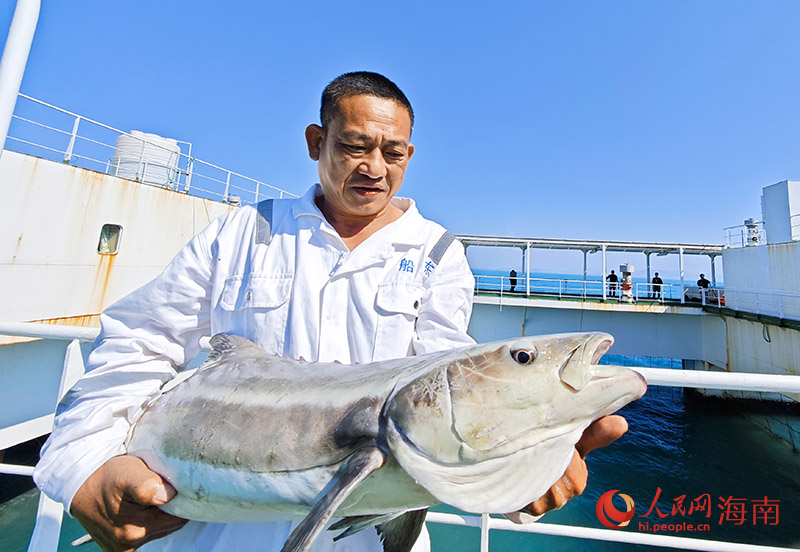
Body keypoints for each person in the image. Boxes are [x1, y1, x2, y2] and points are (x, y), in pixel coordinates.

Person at [34, 72, 628, 552]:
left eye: (393, 152)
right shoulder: (244, 231)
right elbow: (138, 340)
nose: (374, 166)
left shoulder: (438, 254)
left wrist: (519, 469)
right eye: (354, 146)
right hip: (209, 527)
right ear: (317, 143)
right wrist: (84, 467)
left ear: (410, 155)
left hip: (367, 529)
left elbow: (442, 405)